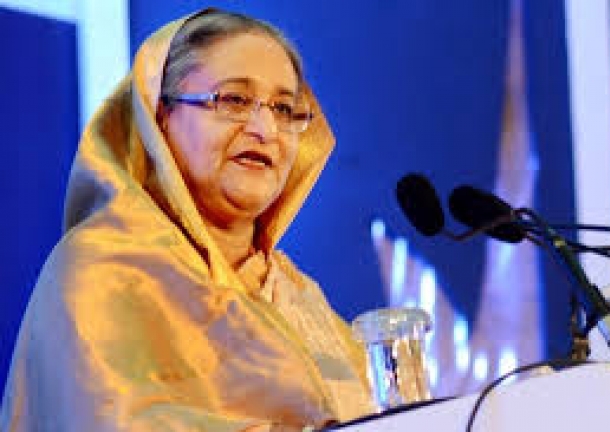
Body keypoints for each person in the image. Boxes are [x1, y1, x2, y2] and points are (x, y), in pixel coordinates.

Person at [1, 8, 373, 431]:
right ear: (159, 117)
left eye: (285, 109)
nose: (266, 129)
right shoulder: (101, 270)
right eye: (233, 100)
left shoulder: (298, 296)